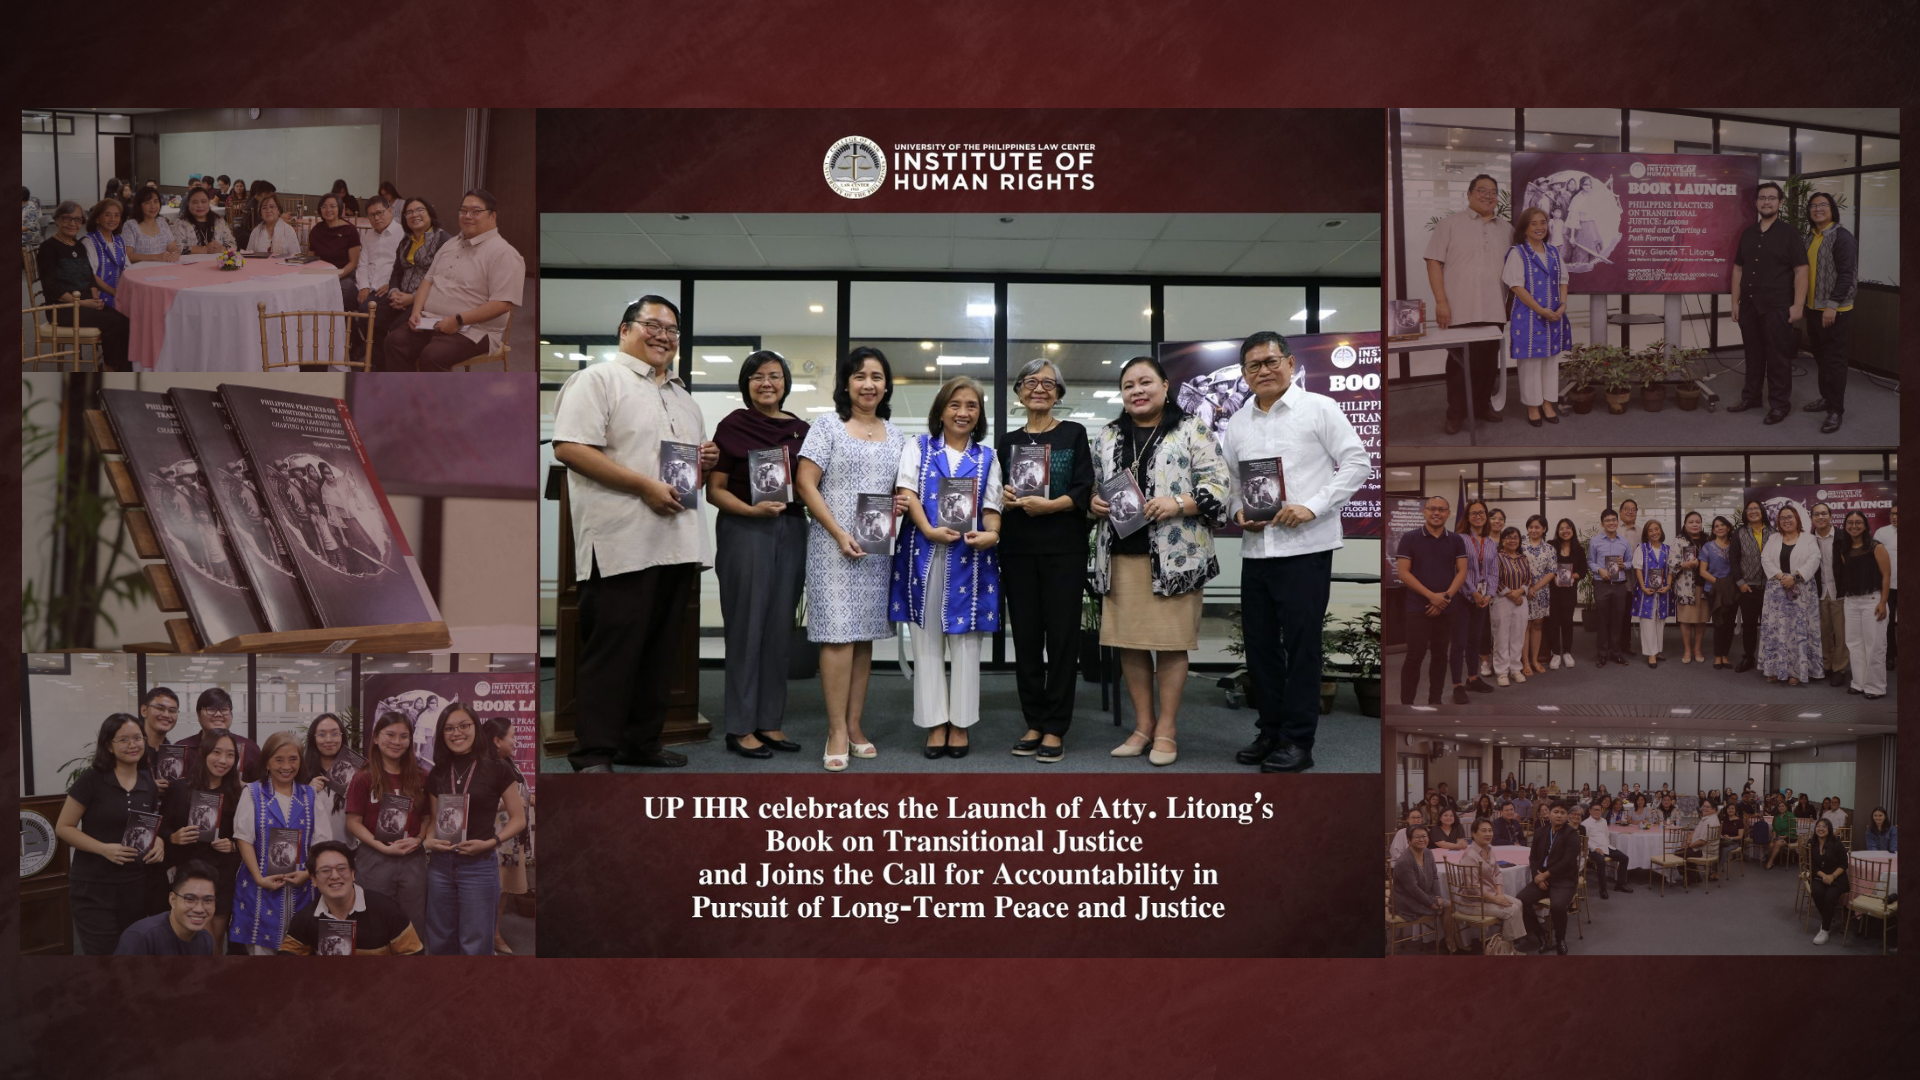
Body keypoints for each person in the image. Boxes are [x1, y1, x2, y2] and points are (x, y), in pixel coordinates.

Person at [553, 297, 717, 771]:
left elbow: (680, 473)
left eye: (672, 329)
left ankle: (640, 743)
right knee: (613, 654)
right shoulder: (597, 380)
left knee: (660, 653)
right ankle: (593, 754)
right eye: (653, 325)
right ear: (625, 330)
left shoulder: (683, 398)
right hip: (621, 543)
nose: (664, 335)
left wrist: (704, 463)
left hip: (677, 541)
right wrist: (644, 486)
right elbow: (570, 447)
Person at [1219, 331, 1368, 772]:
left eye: (1270, 361)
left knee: (1302, 648)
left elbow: (1358, 462)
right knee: (1260, 647)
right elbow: (1231, 484)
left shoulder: (1319, 408)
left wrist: (1312, 506)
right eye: (1252, 366)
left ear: (1289, 362)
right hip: (1256, 550)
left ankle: (1299, 741)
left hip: (1306, 548)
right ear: (1244, 374)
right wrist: (1237, 512)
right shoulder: (1238, 421)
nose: (1262, 371)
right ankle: (1270, 732)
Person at [1089, 356, 1229, 768]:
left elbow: (1219, 485)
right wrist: (1094, 503)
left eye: (1146, 382)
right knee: (1130, 646)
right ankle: (1142, 726)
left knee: (1169, 647)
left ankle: (1167, 729)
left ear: (1166, 386)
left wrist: (1180, 502)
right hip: (1120, 557)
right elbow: (1098, 487)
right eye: (1129, 385)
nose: (1137, 390)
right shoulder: (1109, 435)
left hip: (1176, 558)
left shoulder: (1192, 429)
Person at [891, 377, 1002, 760]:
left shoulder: (987, 457)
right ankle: (935, 722)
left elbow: (992, 507)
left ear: (979, 414)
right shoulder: (917, 448)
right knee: (927, 639)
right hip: (924, 551)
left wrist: (993, 534)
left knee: (967, 640)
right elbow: (906, 493)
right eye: (955, 404)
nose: (963, 412)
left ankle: (961, 723)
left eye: (971, 406)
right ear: (941, 410)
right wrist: (926, 529)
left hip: (971, 559)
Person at [708, 350, 812, 760]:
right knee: (747, 626)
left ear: (785, 382)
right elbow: (714, 489)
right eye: (757, 376)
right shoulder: (733, 425)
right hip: (745, 529)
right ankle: (740, 726)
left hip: (790, 528)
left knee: (778, 629)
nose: (766, 382)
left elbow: (814, 485)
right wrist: (750, 510)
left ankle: (769, 721)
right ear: (746, 383)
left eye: (774, 375)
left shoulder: (802, 430)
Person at [994, 359, 1094, 763]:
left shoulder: (1074, 433)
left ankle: (1056, 726)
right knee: (1028, 638)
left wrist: (1053, 505)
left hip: (1063, 548)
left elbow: (1086, 487)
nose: (1040, 388)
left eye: (1049, 383)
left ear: (1058, 392)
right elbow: (994, 489)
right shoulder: (1007, 440)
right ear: (1019, 391)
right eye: (1031, 382)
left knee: (1063, 638)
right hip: (1017, 549)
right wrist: (1001, 494)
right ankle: (1033, 720)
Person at [54, 714, 165, 953]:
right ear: (108, 745)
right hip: (93, 886)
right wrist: (103, 848)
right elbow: (64, 827)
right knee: (102, 956)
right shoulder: (91, 780)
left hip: (135, 886)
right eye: (123, 740)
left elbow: (149, 827)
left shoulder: (149, 782)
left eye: (137, 738)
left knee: (131, 952)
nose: (132, 744)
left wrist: (160, 842)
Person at [421, 702, 526, 954]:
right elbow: (434, 822)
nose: (457, 733)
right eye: (449, 728)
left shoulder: (497, 767)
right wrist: (428, 839)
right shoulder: (437, 772)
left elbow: (518, 819)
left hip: (479, 865)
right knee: (439, 939)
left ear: (475, 728)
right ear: (441, 733)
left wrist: (491, 842)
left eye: (463, 726)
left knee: (476, 941)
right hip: (441, 865)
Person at [385, 188, 523, 372]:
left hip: (475, 330)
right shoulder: (450, 244)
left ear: (492, 216)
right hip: (431, 321)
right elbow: (428, 280)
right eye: (464, 211)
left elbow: (502, 304)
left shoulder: (503, 253)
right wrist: (416, 312)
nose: (467, 216)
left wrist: (458, 320)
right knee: (394, 342)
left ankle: (440, 401)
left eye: (476, 211)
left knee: (433, 356)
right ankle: (410, 396)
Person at [1424, 174, 1510, 434]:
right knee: (1459, 366)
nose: (1488, 195)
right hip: (1459, 309)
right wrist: (1441, 302)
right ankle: (1456, 413)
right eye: (1482, 190)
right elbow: (1432, 262)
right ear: (1470, 194)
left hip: (1495, 308)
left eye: (1493, 191)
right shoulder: (1449, 224)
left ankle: (1483, 405)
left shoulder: (1507, 228)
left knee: (1487, 364)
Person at [232, 731, 329, 954]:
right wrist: (258, 877)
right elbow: (243, 838)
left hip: (303, 887)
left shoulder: (310, 795)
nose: (286, 766)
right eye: (279, 759)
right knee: (262, 960)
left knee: (302, 953)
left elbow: (322, 843)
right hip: (260, 886)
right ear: (267, 762)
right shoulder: (253, 793)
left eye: (293, 759)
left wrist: (309, 872)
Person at [1727, 182, 1809, 424]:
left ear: (1780, 203)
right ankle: (1751, 397)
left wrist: (1798, 305)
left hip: (1777, 306)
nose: (1766, 202)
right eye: (1762, 198)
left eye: (1772, 198)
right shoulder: (1748, 232)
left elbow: (1801, 271)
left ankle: (1779, 405)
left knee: (1778, 357)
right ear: (1756, 203)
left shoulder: (1789, 233)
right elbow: (1738, 269)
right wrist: (1735, 302)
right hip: (1750, 305)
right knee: (1753, 355)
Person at [344, 711, 430, 935]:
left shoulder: (421, 776)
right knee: (373, 920)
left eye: (403, 736)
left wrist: (419, 839)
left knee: (413, 922)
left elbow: (427, 817)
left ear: (410, 740)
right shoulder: (363, 777)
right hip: (375, 857)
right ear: (375, 737)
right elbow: (353, 823)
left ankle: (410, 969)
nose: (396, 742)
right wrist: (381, 847)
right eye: (389, 734)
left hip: (413, 858)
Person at [161, 729, 243, 951]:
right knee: (192, 938)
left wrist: (233, 845)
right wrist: (173, 837)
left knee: (214, 940)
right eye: (217, 752)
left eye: (230, 755)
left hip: (223, 874)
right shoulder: (179, 789)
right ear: (204, 753)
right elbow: (161, 831)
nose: (223, 760)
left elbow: (248, 839)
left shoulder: (239, 793)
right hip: (188, 872)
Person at [34, 200, 133, 370]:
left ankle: (121, 368)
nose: (73, 223)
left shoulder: (78, 246)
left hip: (84, 304)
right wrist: (81, 303)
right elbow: (51, 286)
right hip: (62, 309)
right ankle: (109, 368)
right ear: (56, 219)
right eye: (67, 218)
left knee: (126, 320)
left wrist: (94, 297)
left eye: (78, 219)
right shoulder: (48, 248)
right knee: (116, 323)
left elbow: (90, 277)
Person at [278, 841, 425, 955]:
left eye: (342, 869)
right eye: (325, 871)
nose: (335, 876)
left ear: (353, 873)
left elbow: (413, 957)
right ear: (313, 879)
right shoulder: (305, 918)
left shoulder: (387, 910)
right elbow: (286, 963)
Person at [1395, 495, 1467, 706]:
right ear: (1424, 511)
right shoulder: (1409, 538)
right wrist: (1431, 597)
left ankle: (1435, 701)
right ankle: (1406, 705)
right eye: (1432, 509)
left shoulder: (1456, 539)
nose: (1437, 513)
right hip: (1417, 608)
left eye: (1442, 509)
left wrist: (1444, 598)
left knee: (1440, 655)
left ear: (1448, 513)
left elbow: (1462, 572)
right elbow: (1403, 573)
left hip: (1446, 607)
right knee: (1414, 656)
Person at [1503, 206, 1570, 425]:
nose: (1540, 227)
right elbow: (1516, 287)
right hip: (1528, 316)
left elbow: (1563, 281)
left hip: (1554, 314)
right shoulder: (1517, 253)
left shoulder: (1553, 251)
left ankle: (1548, 403)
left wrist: (1562, 306)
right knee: (1530, 361)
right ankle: (1533, 406)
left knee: (1550, 360)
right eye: (1534, 223)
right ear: (1524, 228)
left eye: (1543, 222)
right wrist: (1540, 310)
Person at [1798, 192, 1858, 433]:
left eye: (1823, 205)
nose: (1818, 209)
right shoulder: (1811, 237)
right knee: (1821, 359)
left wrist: (1832, 305)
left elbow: (1847, 275)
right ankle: (1826, 398)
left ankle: (1835, 411)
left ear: (1832, 209)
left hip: (1835, 311)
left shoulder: (1842, 237)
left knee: (1834, 362)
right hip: (1814, 309)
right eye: (1813, 206)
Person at [1758, 506, 1823, 686]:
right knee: (1776, 629)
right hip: (1777, 590)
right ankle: (1774, 669)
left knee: (1798, 631)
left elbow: (1814, 560)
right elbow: (1765, 559)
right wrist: (1782, 577)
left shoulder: (1809, 539)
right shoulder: (1773, 538)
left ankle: (1796, 671)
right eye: (1782, 518)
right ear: (1778, 522)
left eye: (1790, 517)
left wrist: (1794, 577)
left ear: (1797, 519)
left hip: (1801, 591)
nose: (1786, 520)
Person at [1833, 510, 1891, 700]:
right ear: (1845, 526)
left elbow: (1886, 575)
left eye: (1858, 522)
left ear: (1865, 525)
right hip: (1851, 602)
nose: (1854, 526)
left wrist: (1883, 602)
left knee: (1875, 645)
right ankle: (1858, 683)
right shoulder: (1845, 549)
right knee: (1854, 644)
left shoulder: (1876, 546)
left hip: (1873, 601)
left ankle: (1875, 686)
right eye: (1850, 523)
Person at [1447, 500, 1497, 700]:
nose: (1479, 516)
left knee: (1475, 640)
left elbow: (1493, 572)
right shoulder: (1459, 539)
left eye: (1482, 513)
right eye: (1474, 513)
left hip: (1482, 599)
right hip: (1462, 597)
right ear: (1467, 517)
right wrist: (1472, 592)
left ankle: (1473, 678)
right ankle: (1457, 684)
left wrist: (1488, 594)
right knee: (1459, 642)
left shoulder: (1491, 542)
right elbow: (1458, 569)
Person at [115, 861, 220, 955]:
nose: (199, 909)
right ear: (173, 900)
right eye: (190, 899)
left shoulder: (206, 940)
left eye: (208, 900)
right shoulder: (141, 938)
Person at [1517, 801, 1580, 954]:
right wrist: (1537, 876)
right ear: (1549, 813)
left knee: (1558, 906)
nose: (1559, 815)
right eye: (1556, 812)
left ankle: (1560, 940)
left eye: (1563, 813)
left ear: (1567, 816)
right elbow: (1533, 858)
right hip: (1543, 878)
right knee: (1521, 901)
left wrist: (1545, 874)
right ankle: (1541, 934)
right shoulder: (1540, 832)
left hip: (1564, 880)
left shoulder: (1572, 834)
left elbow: (1567, 862)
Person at [1391, 825, 1464, 953]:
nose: (1421, 839)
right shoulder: (1405, 861)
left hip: (1423, 895)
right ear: (1408, 839)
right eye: (1417, 837)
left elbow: (1435, 877)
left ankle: (1453, 940)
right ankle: (1452, 941)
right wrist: (1432, 902)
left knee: (1446, 904)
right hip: (1407, 901)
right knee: (1449, 906)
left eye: (1424, 836)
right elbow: (1412, 890)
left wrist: (1437, 897)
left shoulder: (1428, 853)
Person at [349, 195, 403, 360]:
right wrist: (364, 285)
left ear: (390, 211)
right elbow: (363, 264)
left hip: (386, 287)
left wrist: (392, 285)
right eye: (372, 215)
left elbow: (404, 266)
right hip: (369, 284)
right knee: (341, 299)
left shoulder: (402, 233)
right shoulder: (368, 236)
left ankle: (377, 357)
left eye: (380, 213)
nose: (376, 218)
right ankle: (357, 344)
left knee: (366, 312)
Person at [1461, 819, 1529, 949]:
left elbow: (1498, 873)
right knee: (1512, 910)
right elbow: (1473, 889)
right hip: (1472, 902)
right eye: (1483, 830)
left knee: (1519, 903)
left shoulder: (1489, 850)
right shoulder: (1470, 856)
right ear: (1473, 834)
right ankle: (1508, 949)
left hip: (1490, 896)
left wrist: (1499, 895)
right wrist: (1496, 899)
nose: (1488, 834)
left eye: (1490, 830)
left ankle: (1501, 944)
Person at [177, 687, 262, 783]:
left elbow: (262, 789)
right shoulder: (181, 749)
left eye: (224, 709)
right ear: (198, 714)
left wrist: (245, 788)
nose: (218, 714)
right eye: (211, 709)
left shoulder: (249, 748)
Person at [302, 713, 357, 852]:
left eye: (334, 734)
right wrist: (307, 792)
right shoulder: (301, 772)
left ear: (342, 736)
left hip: (348, 850)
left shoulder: (357, 773)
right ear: (313, 738)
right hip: (311, 853)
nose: (329, 739)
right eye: (322, 735)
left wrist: (358, 792)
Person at [1806, 503, 1848, 686]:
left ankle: (1839, 668)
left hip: (1839, 591)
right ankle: (1826, 665)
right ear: (1812, 518)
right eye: (1816, 514)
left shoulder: (1842, 537)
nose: (1820, 517)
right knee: (1822, 632)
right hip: (1818, 592)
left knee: (1841, 633)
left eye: (1824, 513)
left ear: (1831, 516)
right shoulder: (1807, 540)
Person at [1588, 508, 1633, 666]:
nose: (1611, 523)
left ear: (1618, 522)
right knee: (1602, 620)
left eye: (1614, 520)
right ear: (1602, 523)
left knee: (1617, 621)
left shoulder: (1624, 542)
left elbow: (1630, 562)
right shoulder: (1595, 541)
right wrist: (1599, 569)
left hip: (1620, 585)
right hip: (1602, 584)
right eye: (1607, 520)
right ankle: (1602, 654)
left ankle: (1616, 653)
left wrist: (1624, 564)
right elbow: (1590, 562)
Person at [306, 192, 363, 316]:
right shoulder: (316, 230)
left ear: (339, 208)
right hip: (321, 274)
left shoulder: (349, 230)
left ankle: (340, 330)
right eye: (324, 207)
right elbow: (312, 259)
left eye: (332, 206)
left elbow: (353, 263)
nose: (328, 210)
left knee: (337, 293)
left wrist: (334, 277)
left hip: (344, 275)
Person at [1630, 519, 1674, 666]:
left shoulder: (1668, 549)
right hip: (1646, 591)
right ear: (1646, 534)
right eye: (1650, 530)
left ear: (1661, 531)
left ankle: (1657, 650)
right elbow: (1638, 569)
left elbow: (1671, 569)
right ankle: (1650, 654)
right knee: (1648, 621)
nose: (1654, 532)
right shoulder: (1641, 548)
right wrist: (1642, 587)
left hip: (1662, 591)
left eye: (1657, 529)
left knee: (1660, 621)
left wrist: (1668, 585)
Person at [1699, 515, 1739, 669]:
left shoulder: (1735, 546)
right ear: (1713, 530)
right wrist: (1721, 584)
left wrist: (1728, 585)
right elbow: (1703, 572)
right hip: (1714, 590)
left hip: (1733, 591)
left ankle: (1725, 655)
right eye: (1717, 526)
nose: (1720, 528)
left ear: (1728, 528)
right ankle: (1717, 655)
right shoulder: (1707, 547)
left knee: (1730, 624)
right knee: (1719, 623)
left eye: (1723, 525)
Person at [1518, 515, 1555, 674]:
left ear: (1544, 529)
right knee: (1525, 626)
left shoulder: (1549, 548)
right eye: (1531, 527)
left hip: (1540, 592)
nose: (1534, 530)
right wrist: (1526, 588)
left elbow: (1551, 571)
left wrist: (1534, 588)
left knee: (1538, 625)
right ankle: (1525, 662)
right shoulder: (1520, 546)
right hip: (1521, 591)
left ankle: (1535, 659)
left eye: (1537, 527)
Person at [1671, 512, 1709, 664]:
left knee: (1701, 619)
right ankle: (1687, 650)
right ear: (1685, 524)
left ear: (1701, 524)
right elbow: (1671, 564)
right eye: (1691, 522)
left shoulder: (1708, 540)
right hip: (1685, 587)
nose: (1694, 524)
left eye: (1697, 522)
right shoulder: (1679, 540)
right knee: (1686, 619)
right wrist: (1688, 565)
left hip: (1704, 585)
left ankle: (1697, 649)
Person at [1805, 818, 1848, 945]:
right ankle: (1828, 916)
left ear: (1829, 829)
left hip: (1837, 877)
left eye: (1824, 826)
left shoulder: (1836, 843)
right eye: (1818, 826)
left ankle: (1824, 929)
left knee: (1830, 896)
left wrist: (1832, 876)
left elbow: (1844, 863)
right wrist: (1824, 876)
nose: (1821, 829)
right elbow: (1811, 865)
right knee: (1817, 892)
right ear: (1815, 828)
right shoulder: (1811, 843)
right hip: (1819, 876)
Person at [1582, 799, 1633, 897]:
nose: (1597, 812)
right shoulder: (1585, 823)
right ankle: (1603, 888)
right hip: (1593, 849)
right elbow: (1585, 840)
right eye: (1595, 810)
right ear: (1590, 811)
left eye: (1599, 810)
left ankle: (1620, 884)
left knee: (1624, 858)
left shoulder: (1604, 821)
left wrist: (1608, 847)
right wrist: (1594, 848)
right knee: (1601, 861)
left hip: (1606, 847)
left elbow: (1606, 835)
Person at [121, 188, 180, 264]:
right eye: (147, 202)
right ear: (139, 205)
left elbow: (172, 247)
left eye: (156, 201)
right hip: (139, 271)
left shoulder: (162, 222)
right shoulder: (130, 226)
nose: (153, 206)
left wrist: (175, 254)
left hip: (164, 268)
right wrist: (155, 257)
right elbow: (128, 255)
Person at [171, 187, 235, 255]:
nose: (200, 205)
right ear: (188, 204)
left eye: (203, 202)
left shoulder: (219, 221)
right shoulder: (181, 223)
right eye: (195, 202)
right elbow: (176, 248)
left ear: (209, 202)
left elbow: (232, 244)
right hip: (191, 264)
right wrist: (205, 249)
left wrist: (221, 249)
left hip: (216, 263)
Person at [1875, 502, 1897, 668]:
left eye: (1898, 514)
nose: (1894, 517)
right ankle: (1890, 656)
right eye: (1892, 514)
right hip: (1889, 586)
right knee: (1887, 623)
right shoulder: (1882, 533)